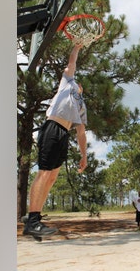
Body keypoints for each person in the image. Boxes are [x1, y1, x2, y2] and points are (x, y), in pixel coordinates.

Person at [23, 43, 88, 237]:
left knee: (52, 178)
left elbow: (82, 133)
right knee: (44, 173)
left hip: (64, 136)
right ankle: (32, 220)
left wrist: (84, 156)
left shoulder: (81, 105)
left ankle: (36, 217)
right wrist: (77, 47)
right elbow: (71, 64)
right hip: (52, 128)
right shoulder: (67, 83)